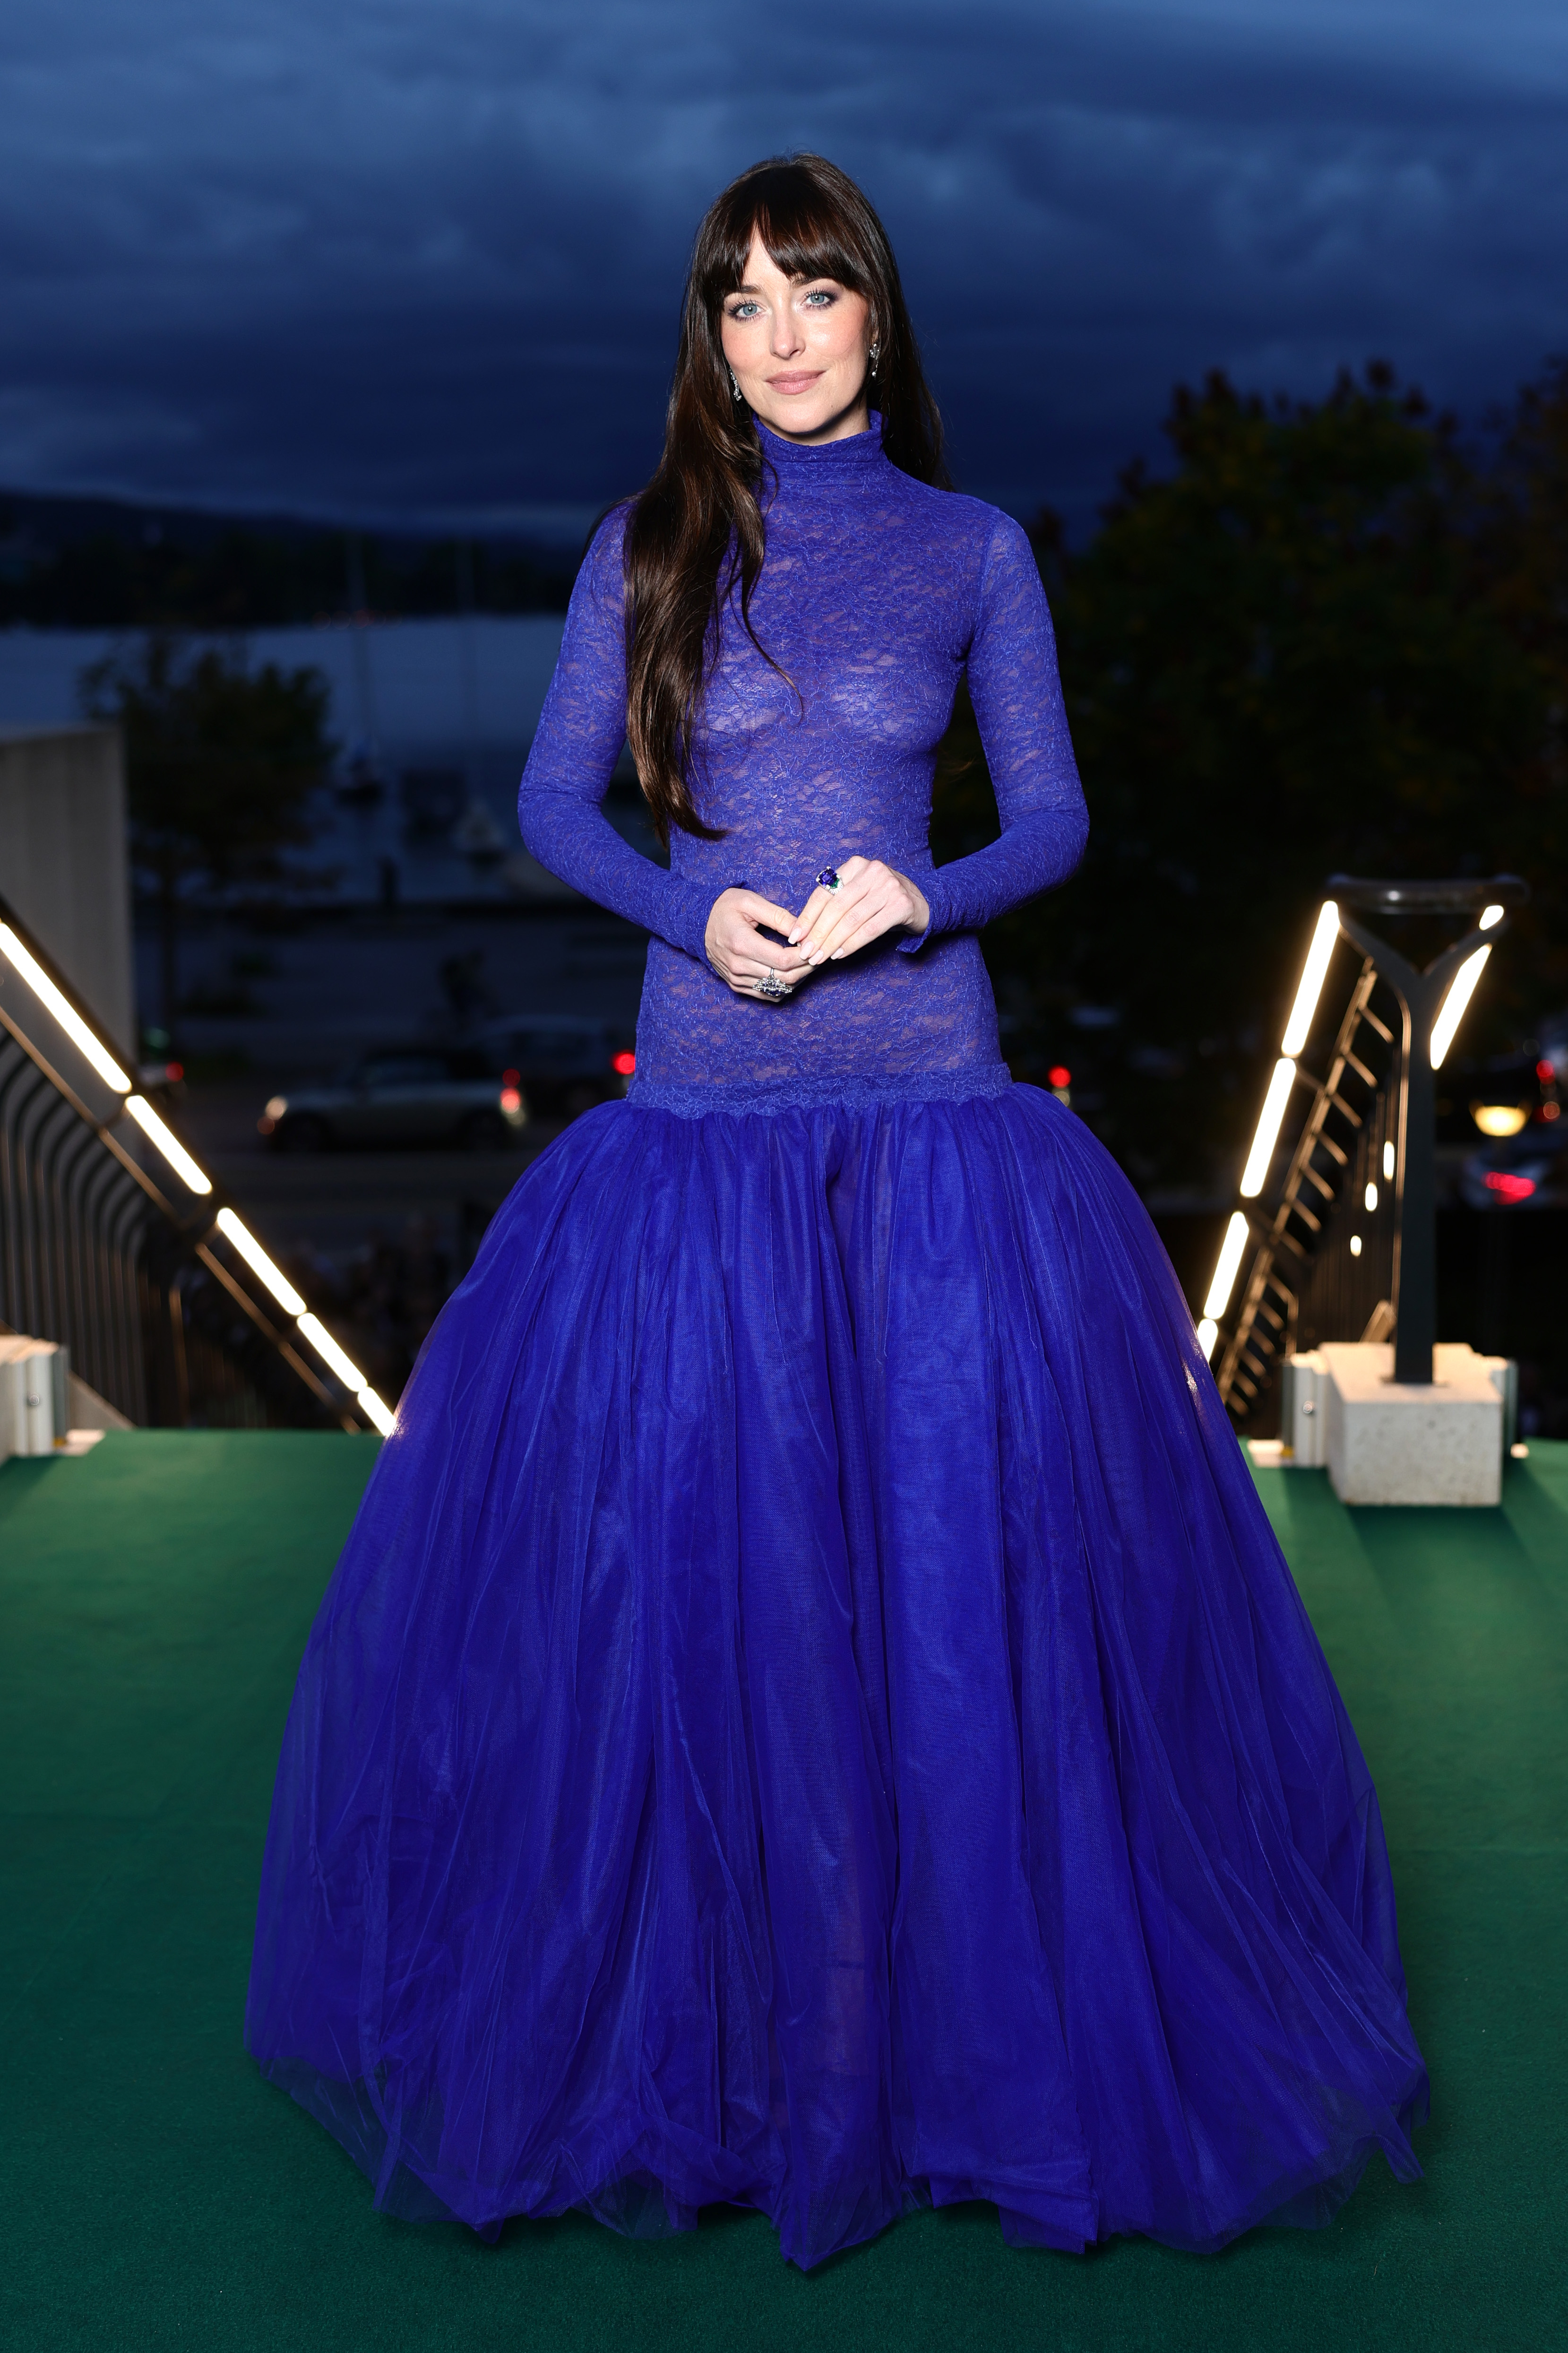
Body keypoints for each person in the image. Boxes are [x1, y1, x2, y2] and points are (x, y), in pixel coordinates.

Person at [246, 154, 1428, 2271]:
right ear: (706, 338)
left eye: (814, 293)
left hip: (936, 1135)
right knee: (703, 1614)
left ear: (878, 315)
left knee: (957, 1621)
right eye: (738, 304)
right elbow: (544, 804)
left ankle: (973, 2071)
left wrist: (924, 889)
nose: (777, 336)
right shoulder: (647, 543)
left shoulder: (973, 550)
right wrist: (695, 906)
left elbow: (1052, 816)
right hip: (691, 1142)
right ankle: (720, 2074)